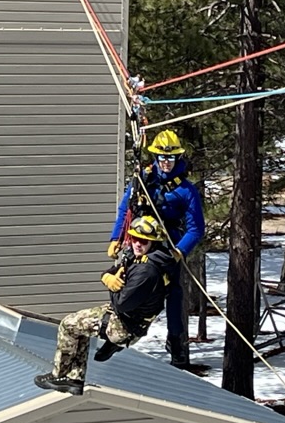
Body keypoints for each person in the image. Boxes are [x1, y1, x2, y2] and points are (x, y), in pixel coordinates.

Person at [35, 216, 174, 395]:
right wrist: (108, 277)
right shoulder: (141, 258)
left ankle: (60, 375)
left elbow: (122, 303)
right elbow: (114, 271)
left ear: (153, 243)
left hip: (123, 325)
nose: (138, 244)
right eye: (135, 239)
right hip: (128, 320)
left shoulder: (146, 272)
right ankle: (74, 378)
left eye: (144, 241)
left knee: (68, 325)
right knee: (78, 327)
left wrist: (113, 287)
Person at [108, 129, 204, 368]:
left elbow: (196, 228)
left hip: (166, 243)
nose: (166, 162)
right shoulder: (143, 180)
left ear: (178, 157)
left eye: (170, 158)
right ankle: (117, 331)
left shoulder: (186, 190)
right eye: (162, 157)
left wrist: (179, 251)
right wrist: (116, 237)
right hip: (139, 237)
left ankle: (176, 340)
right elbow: (126, 208)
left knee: (171, 291)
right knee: (121, 278)